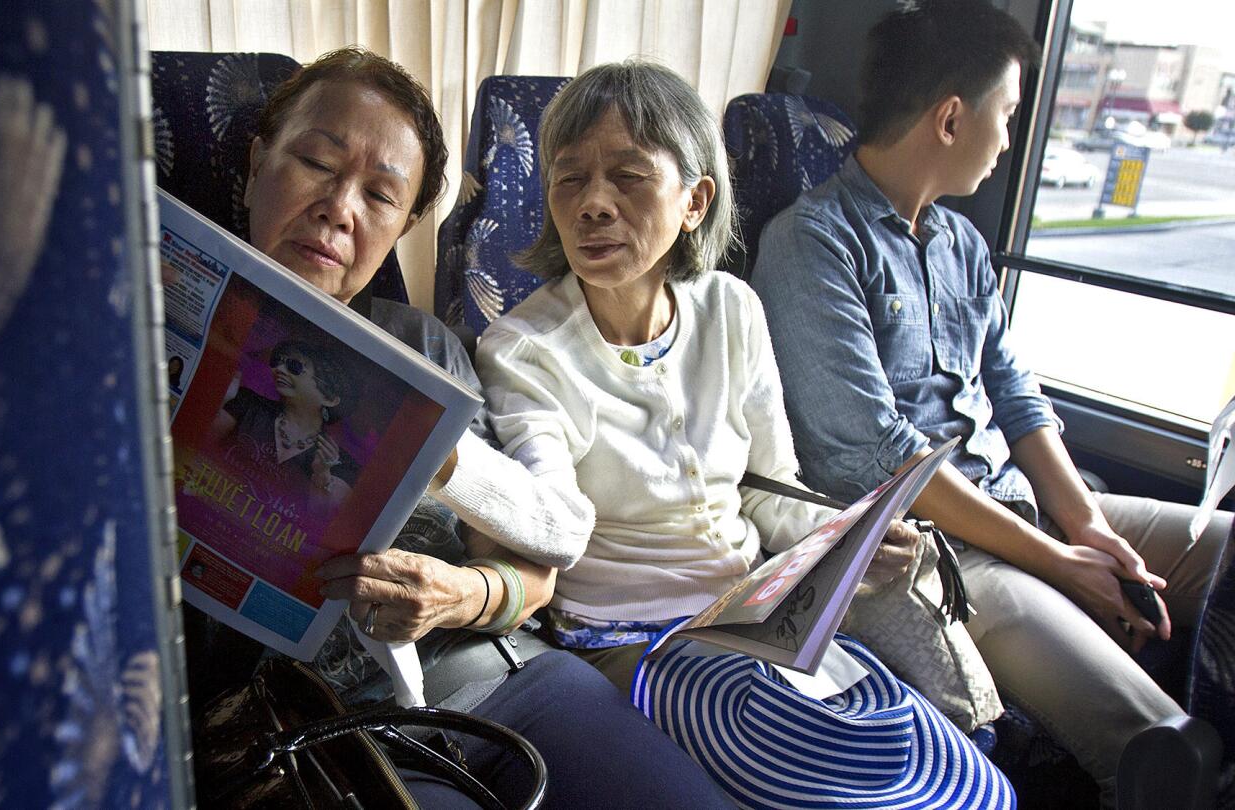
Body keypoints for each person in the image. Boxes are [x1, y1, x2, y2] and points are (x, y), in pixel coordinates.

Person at [182, 46, 735, 808]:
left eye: (380, 196)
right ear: (254, 166)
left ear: (403, 225)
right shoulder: (149, 341)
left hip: (501, 678)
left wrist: (458, 596)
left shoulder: (428, 351)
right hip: (310, 729)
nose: (340, 208)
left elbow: (537, 575)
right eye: (315, 161)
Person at [476, 60, 1010, 809]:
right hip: (632, 641)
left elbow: (772, 490)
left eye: (628, 176)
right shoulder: (523, 349)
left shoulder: (732, 309)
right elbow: (551, 524)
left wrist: (849, 538)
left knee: (944, 765)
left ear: (695, 202)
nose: (593, 204)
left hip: (756, 617)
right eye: (569, 180)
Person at [749, 1, 1233, 802]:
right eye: (1006, 113)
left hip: (1017, 503)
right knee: (1168, 750)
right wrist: (1061, 566)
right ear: (949, 118)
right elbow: (877, 457)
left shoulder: (963, 244)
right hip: (941, 545)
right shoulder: (813, 243)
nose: (1009, 138)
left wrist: (1091, 530)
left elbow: (1017, 396)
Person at [211, 338, 357, 513]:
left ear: (330, 398)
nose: (279, 369)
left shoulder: (342, 463)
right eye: (277, 362)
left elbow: (320, 518)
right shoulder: (247, 404)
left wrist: (322, 475)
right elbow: (199, 445)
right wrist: (220, 402)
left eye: (294, 366)